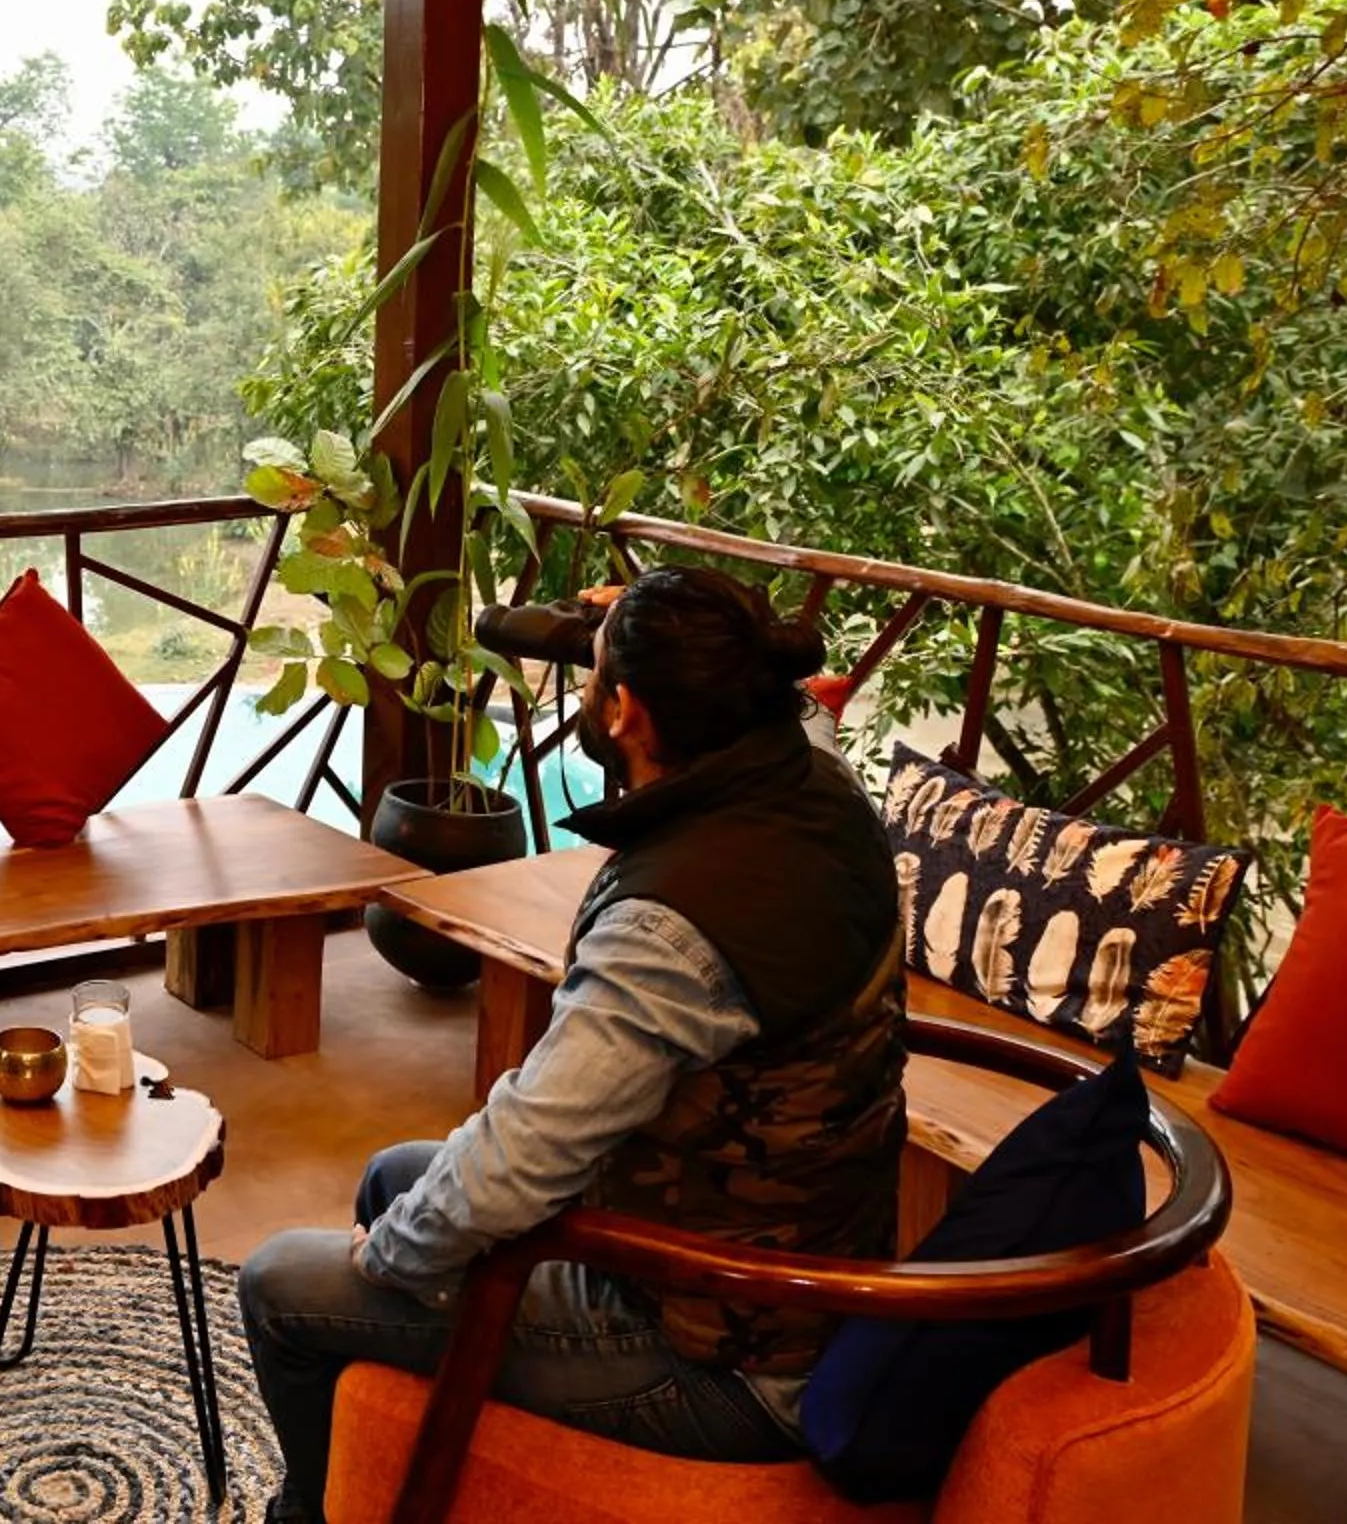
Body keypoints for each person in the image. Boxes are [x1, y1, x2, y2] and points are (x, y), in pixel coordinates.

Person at [239, 567, 905, 1521]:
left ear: (626, 710)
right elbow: (797, 707)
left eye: (596, 677)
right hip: (805, 1267)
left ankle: (311, 1514)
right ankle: (396, 1473)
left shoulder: (672, 931)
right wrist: (635, 622)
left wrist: (384, 1261)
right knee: (397, 1172)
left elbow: (518, 1161)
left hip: (724, 1353)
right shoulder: (815, 784)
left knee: (284, 1284)